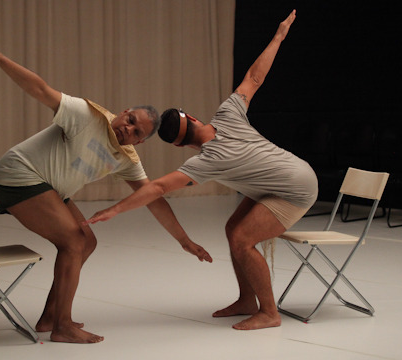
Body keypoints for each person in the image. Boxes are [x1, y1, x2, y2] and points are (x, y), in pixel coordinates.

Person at [0, 23, 212, 344]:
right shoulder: (86, 115)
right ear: (123, 112)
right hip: (19, 175)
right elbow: (41, 89)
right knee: (72, 242)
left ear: (138, 143)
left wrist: (184, 241)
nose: (128, 129)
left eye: (136, 132)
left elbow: (153, 197)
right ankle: (63, 326)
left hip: (47, 187)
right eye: (130, 120)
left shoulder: (127, 158)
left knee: (88, 241)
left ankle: (49, 317)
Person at [85, 10, 318, 331]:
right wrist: (278, 36)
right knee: (233, 229)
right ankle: (246, 300)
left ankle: (269, 312)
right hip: (294, 172)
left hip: (295, 190)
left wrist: (115, 209)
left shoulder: (205, 161)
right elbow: (254, 77)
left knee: (241, 238)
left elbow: (157, 188)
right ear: (193, 118)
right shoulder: (227, 112)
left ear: (179, 146)